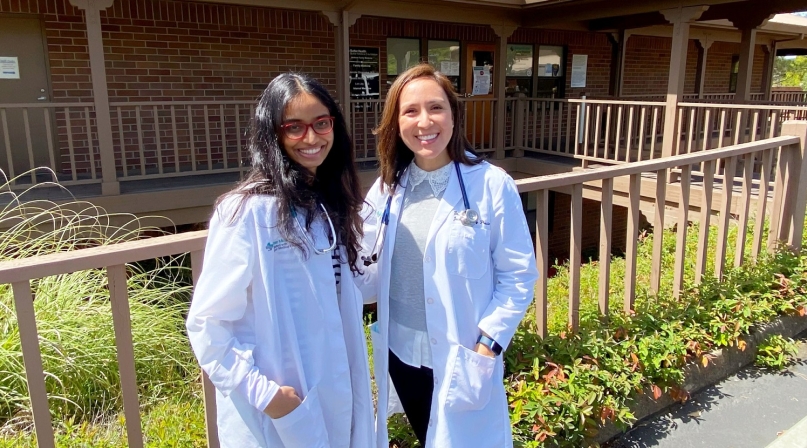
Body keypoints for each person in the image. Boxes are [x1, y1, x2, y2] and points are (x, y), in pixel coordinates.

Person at [186, 72, 374, 448]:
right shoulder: (246, 212)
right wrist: (267, 396)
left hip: (338, 392)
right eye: (295, 127)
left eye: (322, 123)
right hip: (280, 408)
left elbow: (350, 289)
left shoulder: (330, 202)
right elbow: (207, 324)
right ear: (272, 133)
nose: (312, 137)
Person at [356, 63, 538, 448]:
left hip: (464, 355)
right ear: (396, 122)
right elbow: (365, 271)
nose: (425, 121)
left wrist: (487, 345)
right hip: (401, 354)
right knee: (428, 437)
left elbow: (518, 276)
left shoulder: (491, 184)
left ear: (454, 115)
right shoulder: (387, 187)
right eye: (410, 111)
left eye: (436, 107)